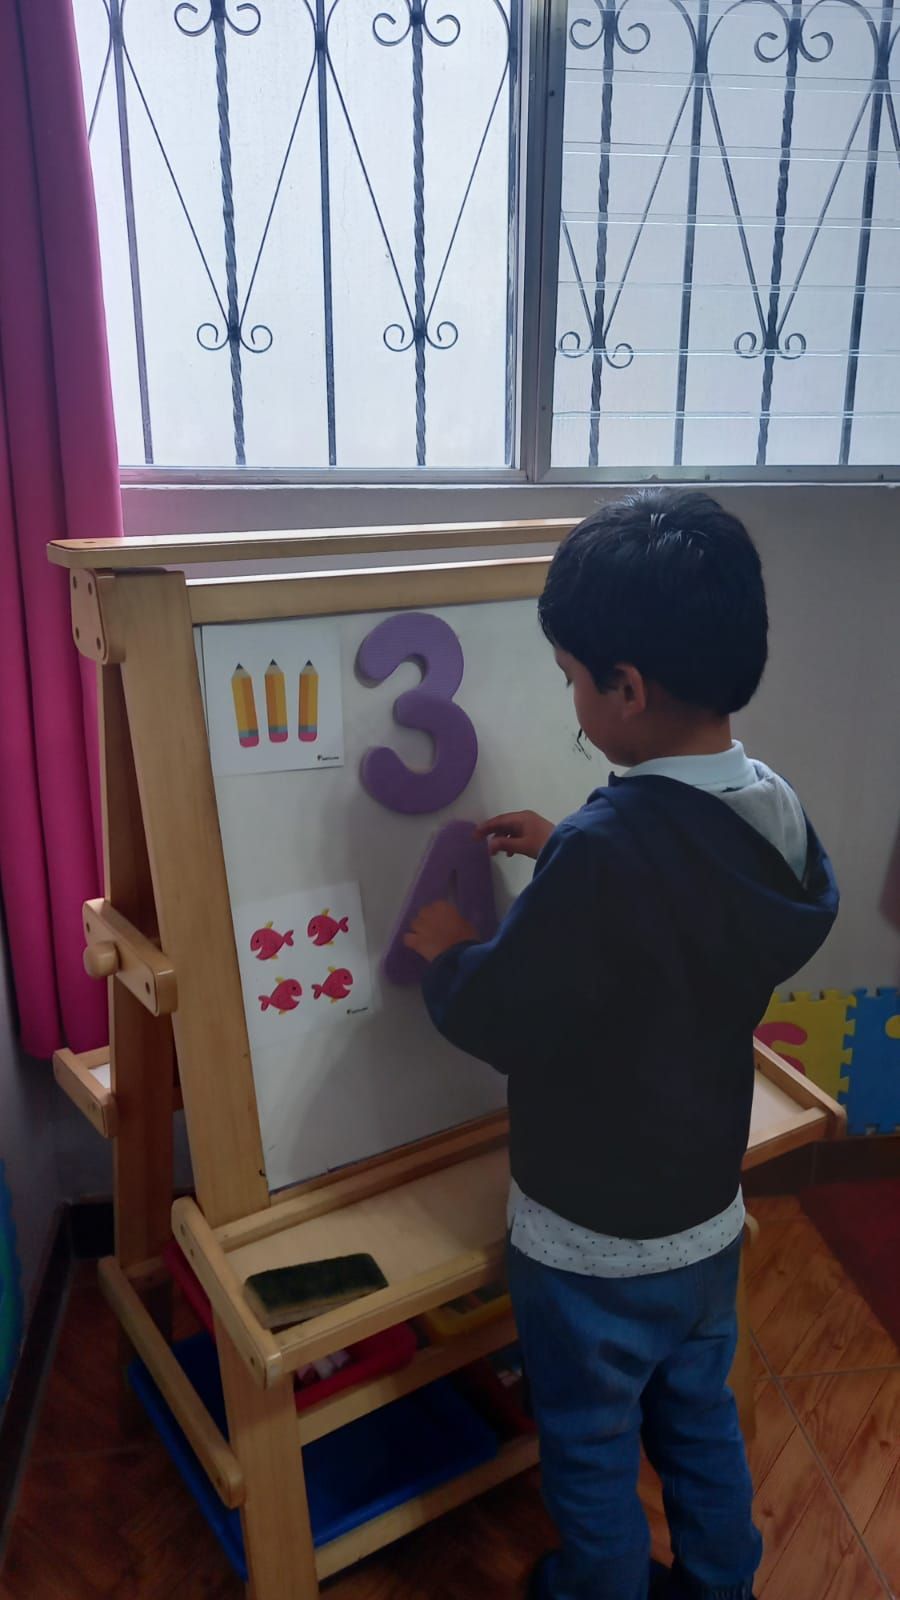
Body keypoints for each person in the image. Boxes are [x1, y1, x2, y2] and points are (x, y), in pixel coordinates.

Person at [404, 490, 839, 1600]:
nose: (573, 703)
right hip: (704, 1216)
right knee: (698, 1416)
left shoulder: (611, 853)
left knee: (590, 1441)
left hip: (587, 1237)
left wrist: (452, 948)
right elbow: (682, 913)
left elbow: (501, 1009)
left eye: (570, 681)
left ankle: (596, 1587)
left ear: (627, 689)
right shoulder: (772, 808)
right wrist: (566, 849)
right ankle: (721, 1578)